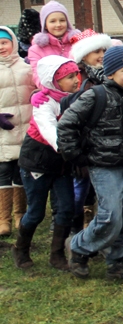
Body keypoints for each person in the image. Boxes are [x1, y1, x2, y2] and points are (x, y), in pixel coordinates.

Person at [58, 45, 123, 281]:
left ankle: (118, 261)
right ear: (110, 73)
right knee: (111, 216)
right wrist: (75, 156)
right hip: (103, 167)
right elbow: (66, 123)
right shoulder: (95, 96)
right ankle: (78, 246)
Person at [13, 56, 79, 270]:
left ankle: (56, 254)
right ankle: (21, 249)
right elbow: (49, 128)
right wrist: (65, 147)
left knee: (67, 207)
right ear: (54, 81)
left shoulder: (76, 98)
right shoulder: (44, 103)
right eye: (69, 77)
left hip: (61, 164)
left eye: (76, 75)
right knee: (36, 211)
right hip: (37, 162)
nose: (76, 80)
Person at [68, 29, 114, 234]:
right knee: (79, 188)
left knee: (98, 189)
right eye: (96, 51)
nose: (101, 55)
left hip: (105, 143)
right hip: (86, 143)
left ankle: (92, 223)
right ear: (83, 54)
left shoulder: (107, 75)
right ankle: (74, 228)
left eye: (104, 50)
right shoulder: (80, 79)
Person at [0, 26, 35, 238]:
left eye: (4, 42)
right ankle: (3, 219)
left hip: (25, 129)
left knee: (21, 171)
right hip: (3, 133)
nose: (1, 48)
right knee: (3, 171)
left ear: (12, 43)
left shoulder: (26, 68)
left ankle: (20, 213)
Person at [27, 1, 81, 88]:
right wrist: (52, 92)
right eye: (53, 21)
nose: (58, 24)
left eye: (62, 20)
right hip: (54, 95)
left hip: (81, 91)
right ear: (45, 25)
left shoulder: (77, 43)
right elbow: (38, 76)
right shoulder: (36, 50)